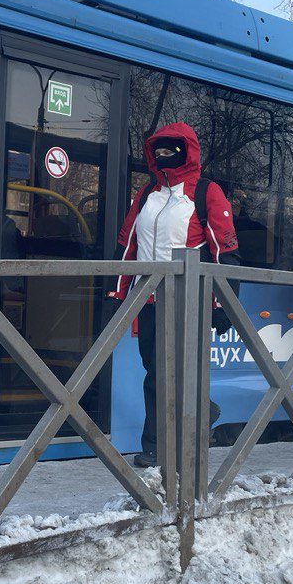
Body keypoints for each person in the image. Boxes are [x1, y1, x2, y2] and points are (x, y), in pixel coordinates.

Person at [110, 122, 240, 468]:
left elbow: (224, 253)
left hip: (189, 301)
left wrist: (224, 304)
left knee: (178, 372)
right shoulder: (147, 194)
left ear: (186, 152)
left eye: (171, 151)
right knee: (154, 372)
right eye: (158, 151)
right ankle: (180, 428)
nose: (163, 157)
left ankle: (160, 446)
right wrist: (117, 292)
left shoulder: (206, 192)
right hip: (149, 301)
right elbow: (128, 245)